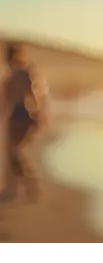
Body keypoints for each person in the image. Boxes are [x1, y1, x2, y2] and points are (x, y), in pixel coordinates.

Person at [1, 42, 47, 201]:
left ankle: (28, 184)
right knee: (11, 153)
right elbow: (5, 100)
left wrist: (39, 115)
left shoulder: (23, 72)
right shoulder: (11, 73)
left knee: (14, 153)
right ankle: (16, 187)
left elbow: (33, 96)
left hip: (22, 114)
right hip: (14, 115)